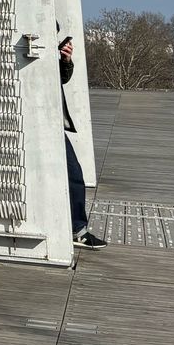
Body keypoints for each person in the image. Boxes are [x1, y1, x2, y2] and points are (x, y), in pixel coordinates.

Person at [60, 31, 105, 249]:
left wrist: (65, 60)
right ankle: (76, 229)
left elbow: (60, 78)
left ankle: (75, 228)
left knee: (73, 174)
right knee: (73, 174)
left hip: (50, 121)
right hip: (38, 121)